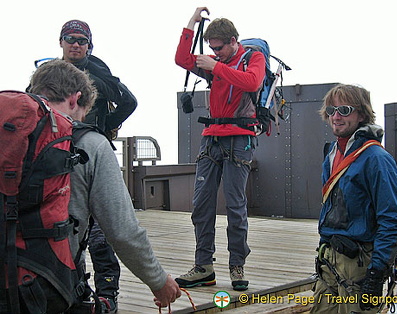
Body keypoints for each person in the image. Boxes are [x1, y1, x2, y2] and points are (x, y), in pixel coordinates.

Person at [28, 59, 181, 312]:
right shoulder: (90, 143)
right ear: (75, 100)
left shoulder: (9, 134)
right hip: (52, 281)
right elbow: (122, 231)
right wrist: (158, 281)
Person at [174, 7, 266, 291]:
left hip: (240, 139)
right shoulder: (216, 62)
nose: (216, 52)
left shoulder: (253, 58)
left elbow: (253, 81)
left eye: (220, 47)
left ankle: (237, 267)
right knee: (201, 203)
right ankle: (204, 267)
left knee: (235, 205)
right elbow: (181, 59)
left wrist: (217, 67)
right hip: (211, 138)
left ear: (234, 40)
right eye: (212, 48)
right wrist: (191, 24)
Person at [59, 19, 138, 310]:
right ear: (61, 42)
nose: (76, 44)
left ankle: (109, 293)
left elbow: (128, 100)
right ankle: (71, 288)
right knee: (64, 226)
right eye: (71, 38)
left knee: (100, 230)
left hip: (93, 159)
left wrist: (104, 128)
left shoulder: (99, 71)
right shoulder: (49, 75)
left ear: (89, 45)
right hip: (58, 162)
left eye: (82, 40)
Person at [311, 84, 397, 313]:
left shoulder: (375, 158)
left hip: (359, 267)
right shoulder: (333, 154)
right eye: (331, 109)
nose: (336, 116)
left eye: (345, 110)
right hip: (329, 262)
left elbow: (394, 221)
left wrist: (376, 276)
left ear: (362, 114)